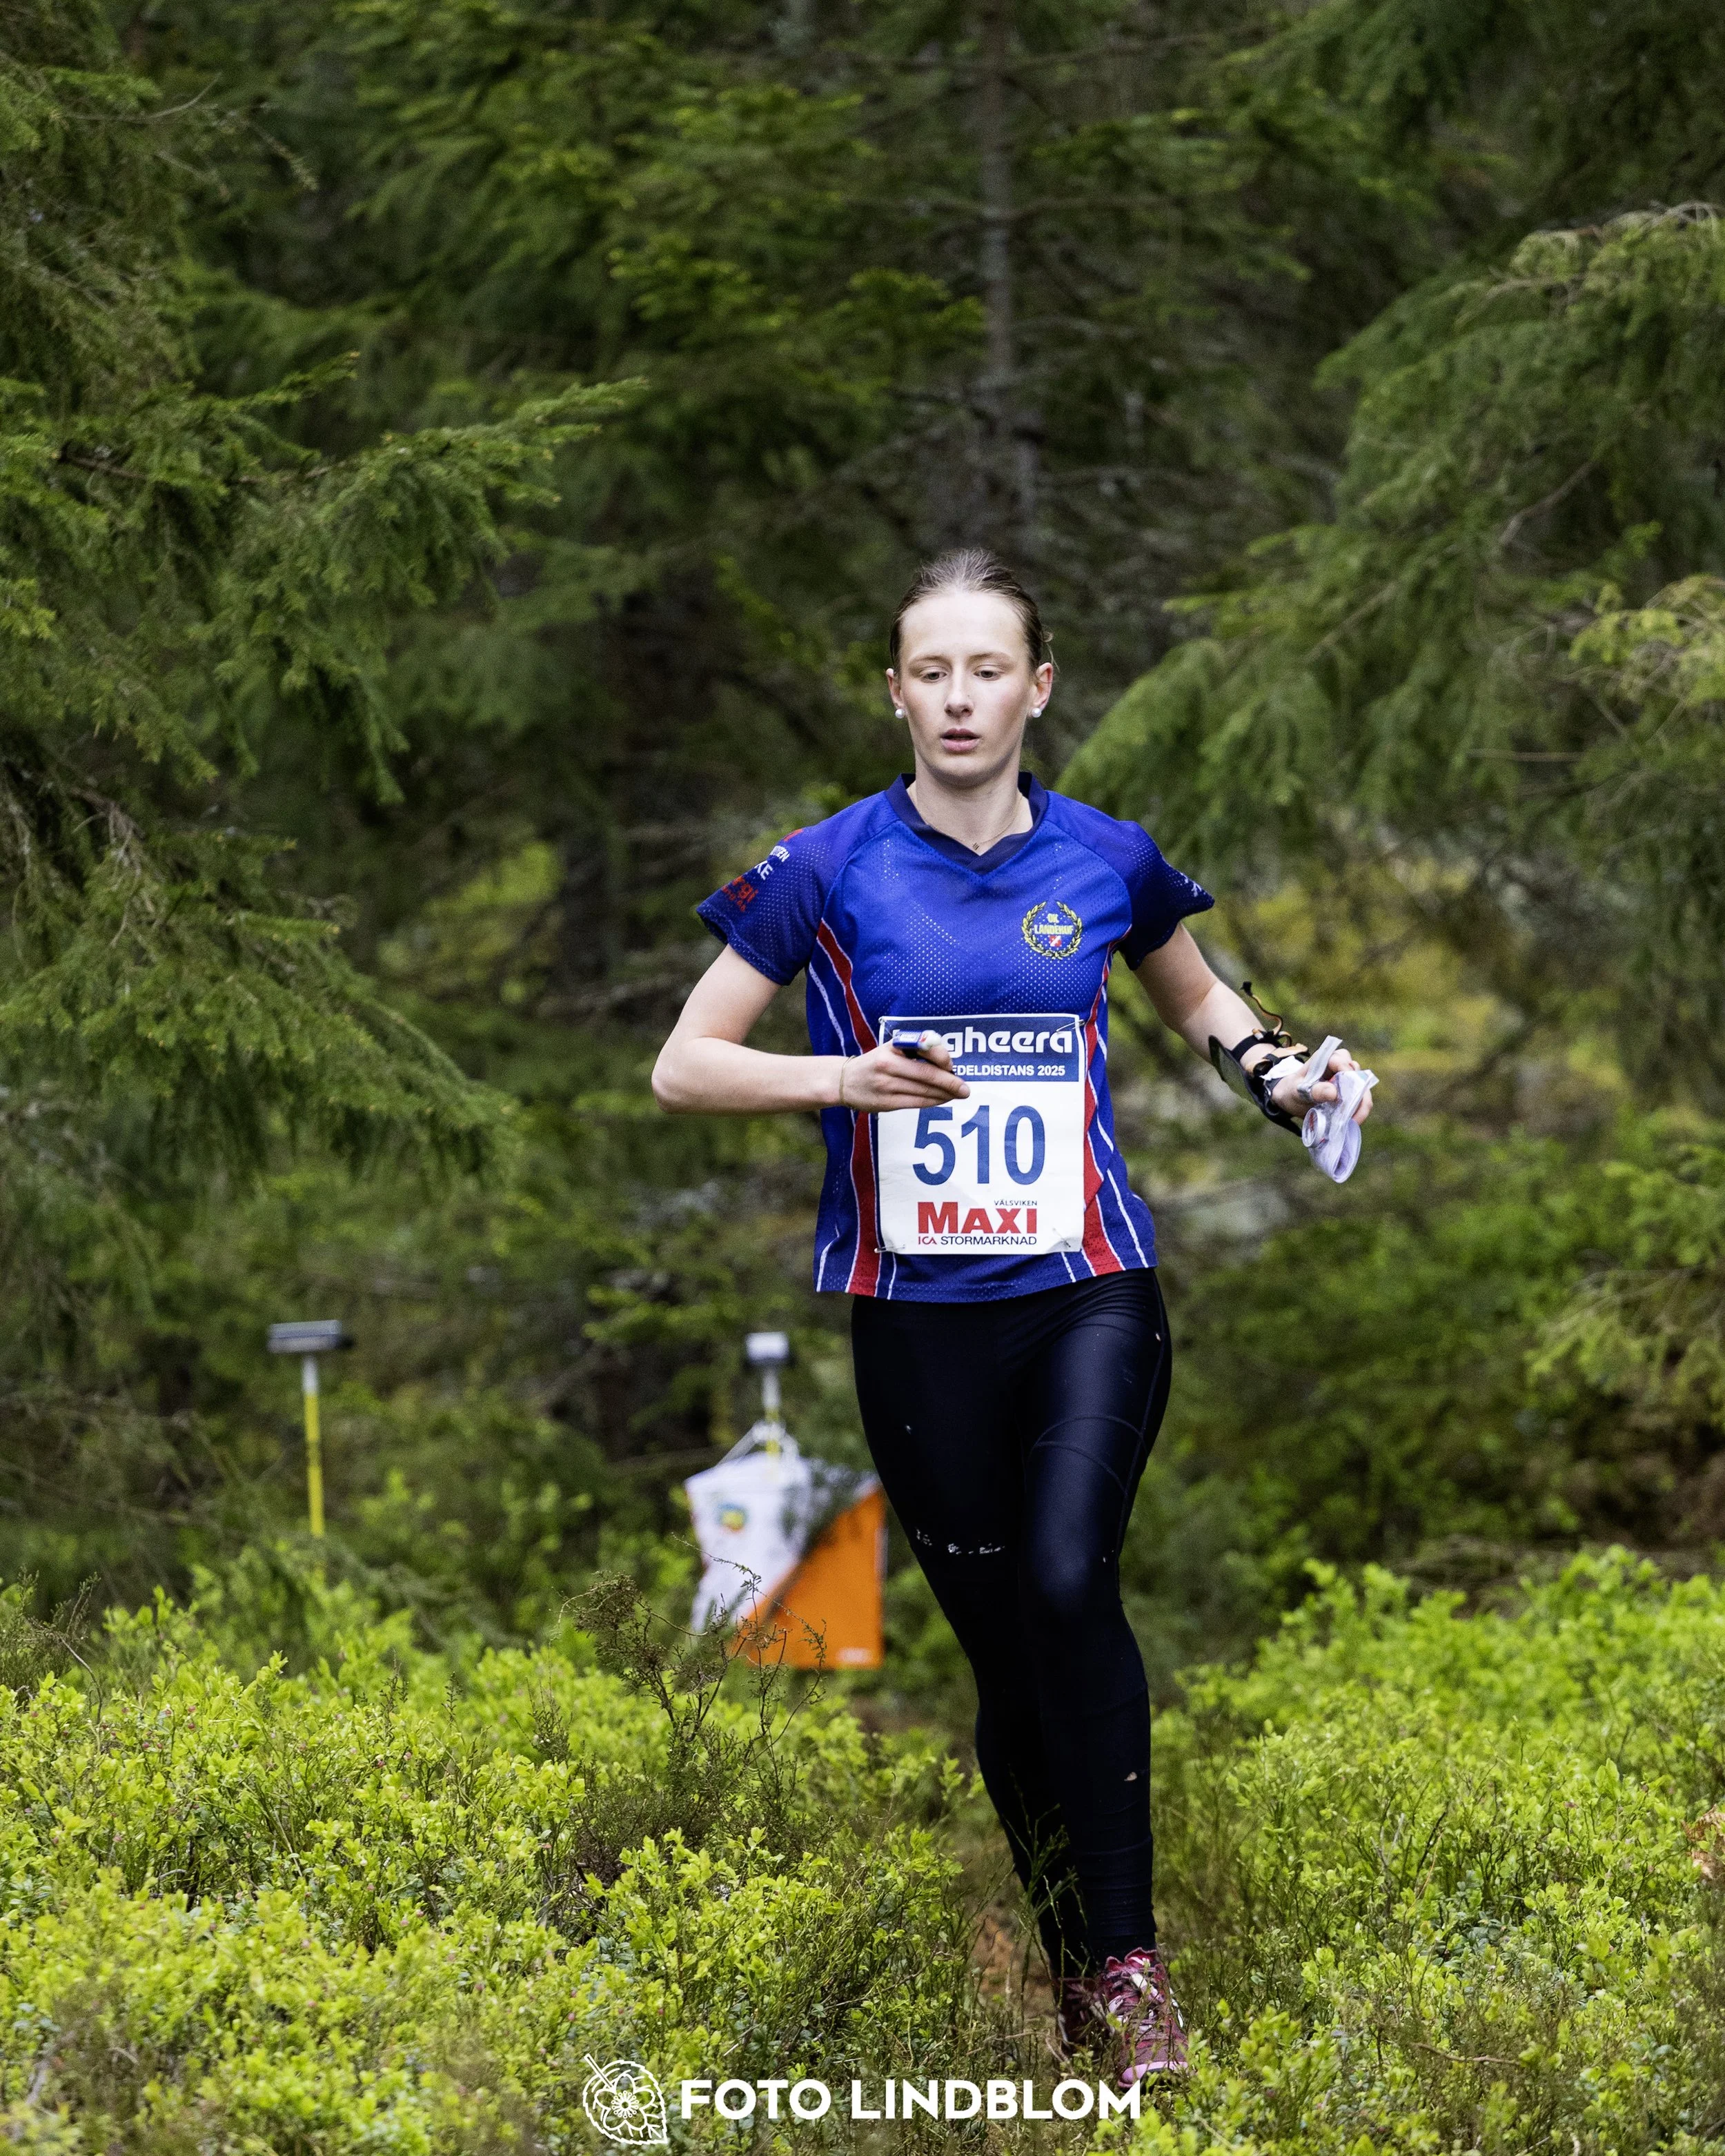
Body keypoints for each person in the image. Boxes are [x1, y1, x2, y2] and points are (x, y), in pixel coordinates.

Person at [652, 548, 1372, 2086]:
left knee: (1065, 1574)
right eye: (933, 671)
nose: (960, 696)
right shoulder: (826, 868)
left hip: (1086, 1288)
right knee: (999, 1657)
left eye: (990, 670)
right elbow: (684, 1063)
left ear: (1035, 688)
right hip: (915, 1318)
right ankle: (1068, 1965)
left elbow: (1199, 1001)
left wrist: (1285, 1076)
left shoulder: (1104, 855)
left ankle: (1131, 1969)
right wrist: (839, 1076)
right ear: (896, 692)